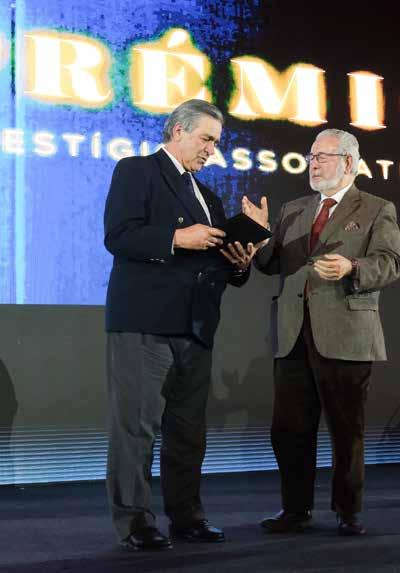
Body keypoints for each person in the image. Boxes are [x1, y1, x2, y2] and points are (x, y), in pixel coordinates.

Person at [104, 99, 256, 550]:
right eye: (206, 139)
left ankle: (187, 517)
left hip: (197, 327)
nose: (212, 150)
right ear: (177, 131)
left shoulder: (209, 197)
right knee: (136, 429)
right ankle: (135, 522)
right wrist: (175, 237)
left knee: (188, 432)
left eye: (216, 142)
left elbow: (218, 266)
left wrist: (242, 260)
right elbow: (119, 236)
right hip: (145, 323)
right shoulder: (137, 170)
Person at [244, 128, 400, 536]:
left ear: (348, 162)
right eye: (311, 157)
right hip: (293, 334)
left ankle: (348, 511)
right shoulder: (294, 208)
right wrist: (257, 234)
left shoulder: (376, 208)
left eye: (322, 157)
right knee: (289, 430)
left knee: (346, 430)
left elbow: (390, 262)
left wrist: (352, 268)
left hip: (347, 333)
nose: (312, 164)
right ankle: (295, 510)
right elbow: (269, 263)